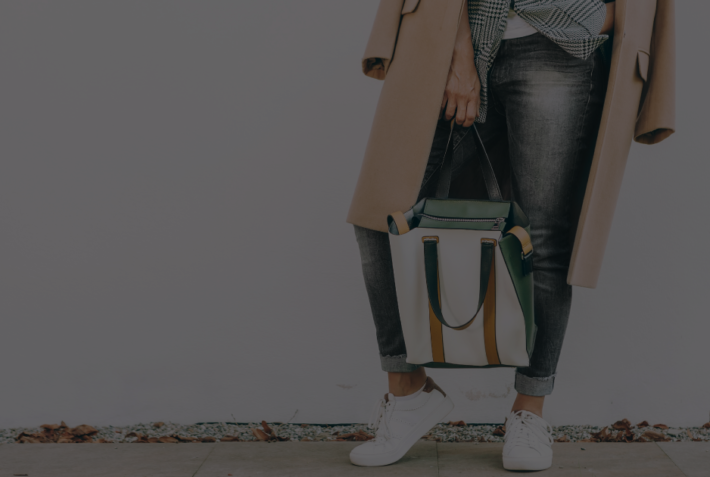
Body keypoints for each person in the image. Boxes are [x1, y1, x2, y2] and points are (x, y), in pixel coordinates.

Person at [346, 0, 675, 472]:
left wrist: (598, 18)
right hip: (449, 33)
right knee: (381, 214)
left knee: (544, 235)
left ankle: (529, 410)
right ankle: (408, 392)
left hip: (559, 49)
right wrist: (460, 54)